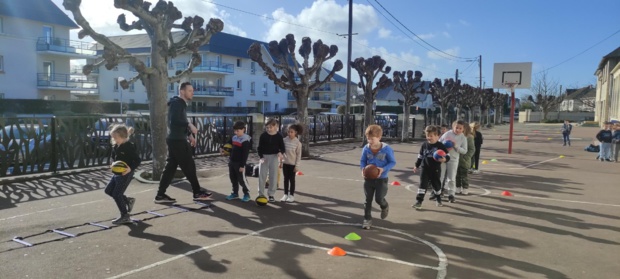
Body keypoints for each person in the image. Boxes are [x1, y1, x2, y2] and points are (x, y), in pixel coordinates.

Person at [155, 82, 212, 203]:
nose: (193, 93)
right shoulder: (177, 103)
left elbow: (179, 122)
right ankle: (197, 192)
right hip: (177, 141)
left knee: (170, 168)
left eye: (192, 90)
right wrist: (190, 125)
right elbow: (174, 121)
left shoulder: (179, 103)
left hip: (176, 139)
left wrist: (189, 135)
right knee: (189, 166)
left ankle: (160, 195)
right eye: (190, 90)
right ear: (182, 91)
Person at [360, 124, 396, 229]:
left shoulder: (386, 149)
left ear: (379, 137)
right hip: (368, 179)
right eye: (368, 138)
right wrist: (363, 169)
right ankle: (367, 219)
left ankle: (384, 206)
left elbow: (392, 162)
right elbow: (362, 161)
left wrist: (383, 169)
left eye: (372, 139)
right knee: (368, 200)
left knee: (379, 198)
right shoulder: (366, 149)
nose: (370, 141)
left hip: (381, 179)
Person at [105, 125, 141, 224]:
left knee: (117, 194)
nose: (114, 139)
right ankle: (128, 201)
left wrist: (130, 168)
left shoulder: (129, 146)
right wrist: (112, 163)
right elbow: (113, 157)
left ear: (123, 136)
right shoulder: (116, 145)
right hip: (117, 173)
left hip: (126, 173)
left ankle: (125, 216)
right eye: (113, 137)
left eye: (116, 138)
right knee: (108, 191)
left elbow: (137, 160)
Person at [412, 125, 450, 209]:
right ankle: (419, 201)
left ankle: (438, 198)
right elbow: (420, 156)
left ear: (437, 136)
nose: (429, 137)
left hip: (435, 169)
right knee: (422, 185)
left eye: (431, 136)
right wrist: (416, 165)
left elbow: (448, 155)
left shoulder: (440, 145)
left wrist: (445, 159)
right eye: (427, 135)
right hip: (425, 168)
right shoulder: (424, 145)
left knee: (436, 185)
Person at [438, 120, 467, 203]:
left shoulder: (463, 137)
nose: (457, 130)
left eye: (460, 128)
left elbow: (464, 151)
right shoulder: (447, 134)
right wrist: (443, 145)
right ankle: (438, 192)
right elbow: (439, 142)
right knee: (440, 176)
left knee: (451, 178)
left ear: (463, 129)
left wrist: (456, 146)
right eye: (456, 127)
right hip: (443, 157)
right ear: (452, 127)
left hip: (453, 159)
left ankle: (451, 195)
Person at [223, 121, 252, 202]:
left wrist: (242, 166)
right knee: (233, 178)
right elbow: (228, 144)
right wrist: (222, 148)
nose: (236, 132)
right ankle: (235, 193)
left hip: (240, 163)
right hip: (232, 162)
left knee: (242, 179)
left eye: (238, 131)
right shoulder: (234, 137)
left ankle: (247, 194)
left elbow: (245, 154)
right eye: (235, 131)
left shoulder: (245, 140)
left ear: (243, 129)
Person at [257, 118, 285, 202]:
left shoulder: (279, 136)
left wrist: (280, 152)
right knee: (262, 176)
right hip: (264, 157)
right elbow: (259, 148)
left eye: (270, 127)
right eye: (267, 127)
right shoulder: (263, 136)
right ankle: (261, 194)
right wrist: (261, 157)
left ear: (276, 126)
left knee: (273, 176)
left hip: (274, 157)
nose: (269, 129)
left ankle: (271, 194)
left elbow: (282, 148)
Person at [280, 123, 303, 202]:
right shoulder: (284, 140)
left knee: (292, 180)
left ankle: (291, 195)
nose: (289, 133)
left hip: (292, 165)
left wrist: (297, 166)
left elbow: (298, 156)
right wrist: (280, 162)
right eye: (288, 132)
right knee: (285, 179)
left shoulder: (298, 143)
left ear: (296, 132)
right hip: (285, 163)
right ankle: (285, 194)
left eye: (291, 132)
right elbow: (282, 152)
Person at [456, 122, 475, 195]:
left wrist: (466, 157)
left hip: (464, 160)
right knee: (457, 175)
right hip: (457, 159)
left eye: (461, 128)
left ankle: (465, 188)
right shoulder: (457, 136)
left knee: (464, 176)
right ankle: (457, 187)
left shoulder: (469, 138)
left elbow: (472, 149)